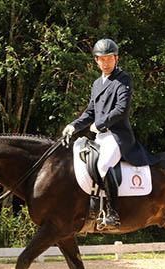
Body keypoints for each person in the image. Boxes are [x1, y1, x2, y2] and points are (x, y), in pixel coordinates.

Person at [62, 38, 158, 228]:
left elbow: (121, 109)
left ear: (116, 59)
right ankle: (93, 207)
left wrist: (100, 124)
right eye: (101, 59)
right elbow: (90, 111)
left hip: (118, 136)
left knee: (104, 164)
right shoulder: (97, 83)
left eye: (109, 59)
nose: (105, 63)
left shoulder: (123, 80)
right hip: (101, 137)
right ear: (96, 61)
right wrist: (74, 125)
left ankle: (113, 213)